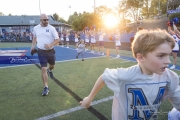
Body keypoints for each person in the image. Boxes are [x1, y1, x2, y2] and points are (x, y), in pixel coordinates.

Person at [80, 29, 180, 120]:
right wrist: (89, 99)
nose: (168, 61)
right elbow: (104, 76)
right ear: (141, 57)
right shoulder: (126, 75)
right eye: (161, 56)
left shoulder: (169, 77)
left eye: (169, 55)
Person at [31, 13, 60, 96]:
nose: (47, 21)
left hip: (51, 51)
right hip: (41, 51)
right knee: (43, 69)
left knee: (52, 65)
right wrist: (32, 46)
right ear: (40, 20)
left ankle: (49, 70)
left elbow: (57, 39)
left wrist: (50, 45)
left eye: (47, 19)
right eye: (45, 20)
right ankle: (46, 87)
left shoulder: (52, 28)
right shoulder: (36, 28)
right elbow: (34, 37)